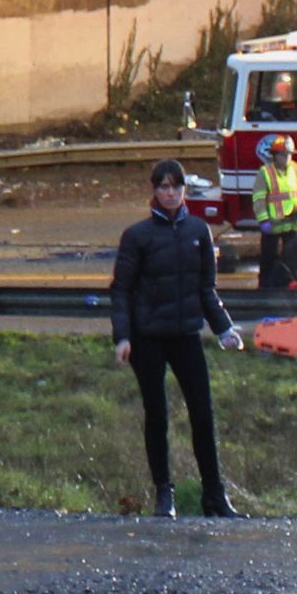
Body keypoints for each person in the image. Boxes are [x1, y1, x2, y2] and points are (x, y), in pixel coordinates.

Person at [110, 158, 246, 519]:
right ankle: (163, 494)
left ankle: (214, 495)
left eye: (176, 186)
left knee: (203, 414)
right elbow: (121, 290)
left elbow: (207, 289)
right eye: (163, 187)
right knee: (157, 415)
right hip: (148, 337)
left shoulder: (199, 232)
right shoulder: (137, 236)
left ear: (185, 190)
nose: (170, 193)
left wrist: (223, 328)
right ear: (155, 191)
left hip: (186, 334)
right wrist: (122, 337)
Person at [251, 135, 297, 289]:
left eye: (289, 154)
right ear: (274, 156)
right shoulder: (265, 172)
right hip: (273, 225)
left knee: (293, 258)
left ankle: (290, 286)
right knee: (268, 259)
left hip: (293, 223)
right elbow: (259, 198)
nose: (286, 157)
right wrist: (263, 220)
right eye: (283, 154)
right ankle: (265, 289)